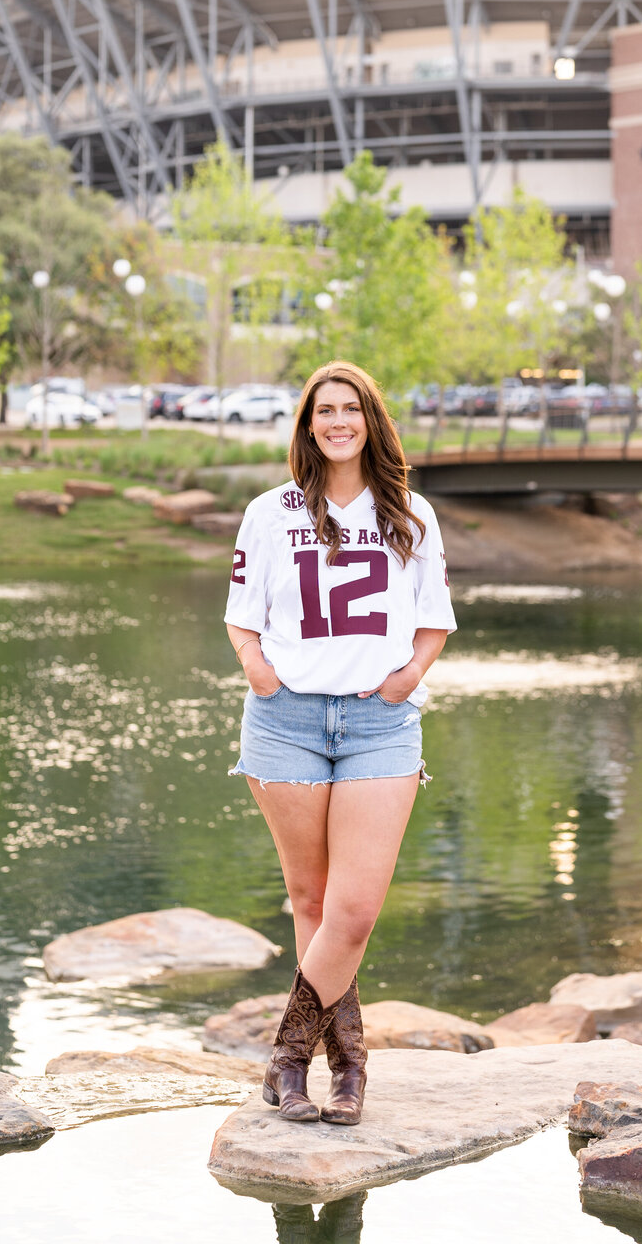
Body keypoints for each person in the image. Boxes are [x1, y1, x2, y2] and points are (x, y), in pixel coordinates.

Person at [225, 360, 456, 1126]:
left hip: (380, 726)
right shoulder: (270, 511)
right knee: (311, 900)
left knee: (352, 910)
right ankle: (344, 1072)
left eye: (350, 408)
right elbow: (241, 613)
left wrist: (411, 672)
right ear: (307, 423)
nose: (337, 422)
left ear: (370, 420)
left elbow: (434, 617)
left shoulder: (408, 513)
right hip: (286, 720)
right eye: (323, 409)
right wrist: (258, 670)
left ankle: (286, 1056)